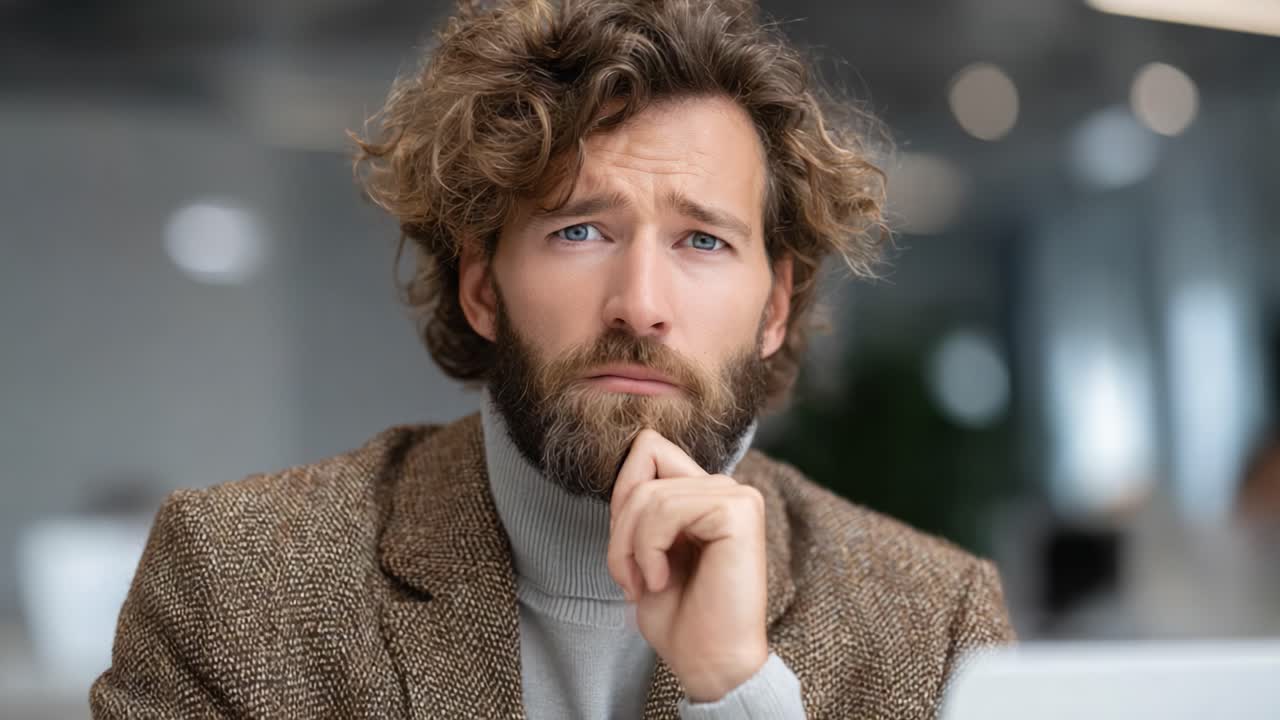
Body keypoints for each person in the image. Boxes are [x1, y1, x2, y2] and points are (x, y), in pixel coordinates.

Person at [90, 1, 1015, 717]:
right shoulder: (239, 579)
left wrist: (741, 695)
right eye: (580, 230)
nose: (640, 305)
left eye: (702, 241)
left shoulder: (934, 625)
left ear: (774, 308)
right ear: (482, 287)